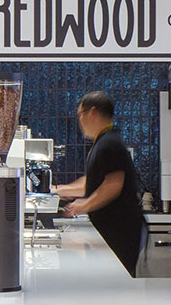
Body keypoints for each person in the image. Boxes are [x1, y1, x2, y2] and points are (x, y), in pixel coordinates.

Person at [55, 91, 147, 277]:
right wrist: (59, 190)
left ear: (92, 113)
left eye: (80, 114)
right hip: (116, 229)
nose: (79, 120)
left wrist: (82, 206)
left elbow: (113, 185)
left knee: (118, 282)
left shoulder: (109, 144)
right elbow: (94, 181)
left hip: (121, 230)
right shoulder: (104, 142)